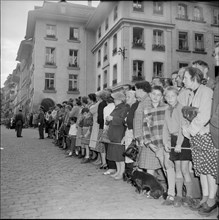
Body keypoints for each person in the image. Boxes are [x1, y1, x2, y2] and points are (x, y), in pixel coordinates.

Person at [181, 67, 217, 216]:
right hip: (196, 136)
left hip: (205, 135)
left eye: (185, 78)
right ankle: (204, 197)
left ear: (194, 78)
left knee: (209, 170)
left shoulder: (206, 92)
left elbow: (204, 116)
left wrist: (188, 130)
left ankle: (212, 200)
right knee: (201, 169)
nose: (183, 80)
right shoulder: (192, 93)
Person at [163, 86, 193, 207]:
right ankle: (179, 195)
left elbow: (182, 127)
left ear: (177, 96)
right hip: (173, 140)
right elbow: (165, 127)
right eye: (168, 96)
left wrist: (179, 143)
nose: (170, 98)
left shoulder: (181, 109)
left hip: (183, 139)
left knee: (185, 169)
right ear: (165, 98)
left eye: (173, 96)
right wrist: (166, 142)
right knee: (177, 169)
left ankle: (189, 196)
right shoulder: (166, 110)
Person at [140, 86, 167, 176]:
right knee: (149, 168)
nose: (155, 97)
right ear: (150, 95)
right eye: (154, 94)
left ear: (162, 97)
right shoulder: (146, 110)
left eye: (158, 95)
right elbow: (145, 128)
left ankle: (171, 189)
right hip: (153, 143)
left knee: (166, 168)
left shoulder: (166, 108)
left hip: (164, 143)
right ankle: (151, 188)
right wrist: (148, 143)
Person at [106, 91, 129, 180]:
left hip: (119, 133)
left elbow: (123, 120)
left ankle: (122, 172)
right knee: (115, 154)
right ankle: (118, 171)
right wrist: (108, 119)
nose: (114, 100)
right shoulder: (116, 108)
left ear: (120, 99)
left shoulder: (124, 108)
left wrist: (113, 118)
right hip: (114, 133)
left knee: (119, 154)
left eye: (115, 99)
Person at [133, 81, 152, 167]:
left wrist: (143, 137)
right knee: (142, 161)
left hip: (144, 137)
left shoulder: (147, 101)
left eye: (135, 89)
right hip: (140, 136)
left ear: (141, 90)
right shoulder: (142, 101)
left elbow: (148, 120)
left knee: (147, 162)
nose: (135, 92)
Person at [123, 90, 139, 171]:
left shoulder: (136, 106)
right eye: (126, 96)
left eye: (128, 97)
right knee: (128, 153)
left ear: (135, 98)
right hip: (129, 131)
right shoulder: (130, 107)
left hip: (134, 132)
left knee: (132, 153)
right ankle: (129, 173)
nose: (126, 98)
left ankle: (132, 173)